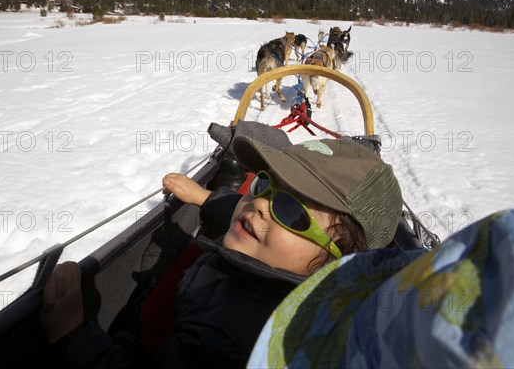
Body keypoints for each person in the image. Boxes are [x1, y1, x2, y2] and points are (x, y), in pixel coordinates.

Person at [39, 135, 403, 368]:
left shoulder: (232, 332)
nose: (259, 204)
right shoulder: (274, 255)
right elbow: (243, 211)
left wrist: (69, 332)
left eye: (291, 209)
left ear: (334, 264)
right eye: (263, 185)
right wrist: (204, 197)